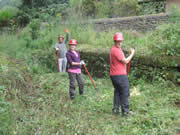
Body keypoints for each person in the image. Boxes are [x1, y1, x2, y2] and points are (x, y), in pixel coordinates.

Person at [110, 32, 135, 116]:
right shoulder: (116, 50)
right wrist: (132, 54)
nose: (119, 43)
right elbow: (126, 61)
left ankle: (115, 110)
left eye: (120, 41)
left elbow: (122, 59)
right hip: (120, 76)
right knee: (125, 92)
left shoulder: (114, 49)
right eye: (118, 41)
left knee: (117, 91)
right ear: (115, 41)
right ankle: (125, 112)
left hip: (114, 75)